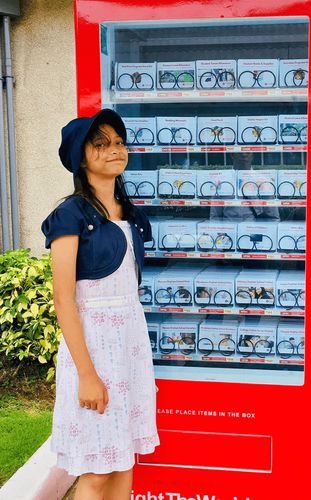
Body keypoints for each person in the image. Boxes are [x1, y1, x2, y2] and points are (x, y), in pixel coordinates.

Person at [41, 109, 159, 500]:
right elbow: (64, 299)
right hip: (91, 349)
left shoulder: (129, 214)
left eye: (120, 142)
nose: (115, 150)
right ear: (81, 157)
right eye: (102, 144)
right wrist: (88, 375)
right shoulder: (69, 215)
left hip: (129, 347)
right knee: (96, 471)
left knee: (124, 461)